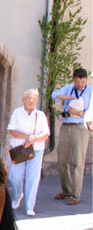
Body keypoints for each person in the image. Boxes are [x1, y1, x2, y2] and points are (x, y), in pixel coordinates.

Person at [51, 68, 91, 206]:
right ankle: (66, 190)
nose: (80, 85)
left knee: (78, 162)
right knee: (62, 160)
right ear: (74, 80)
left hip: (80, 127)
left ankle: (75, 195)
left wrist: (79, 113)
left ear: (86, 80)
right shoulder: (69, 88)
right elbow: (54, 95)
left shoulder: (90, 91)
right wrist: (70, 98)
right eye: (77, 82)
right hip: (66, 126)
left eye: (82, 82)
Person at [7, 89, 50, 217]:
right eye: (28, 98)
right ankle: (17, 196)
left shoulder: (40, 115)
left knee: (33, 178)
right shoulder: (17, 113)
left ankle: (30, 206)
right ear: (23, 100)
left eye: (34, 98)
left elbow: (46, 134)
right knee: (16, 177)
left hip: (36, 149)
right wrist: (27, 137)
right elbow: (12, 130)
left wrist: (34, 139)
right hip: (19, 149)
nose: (31, 101)